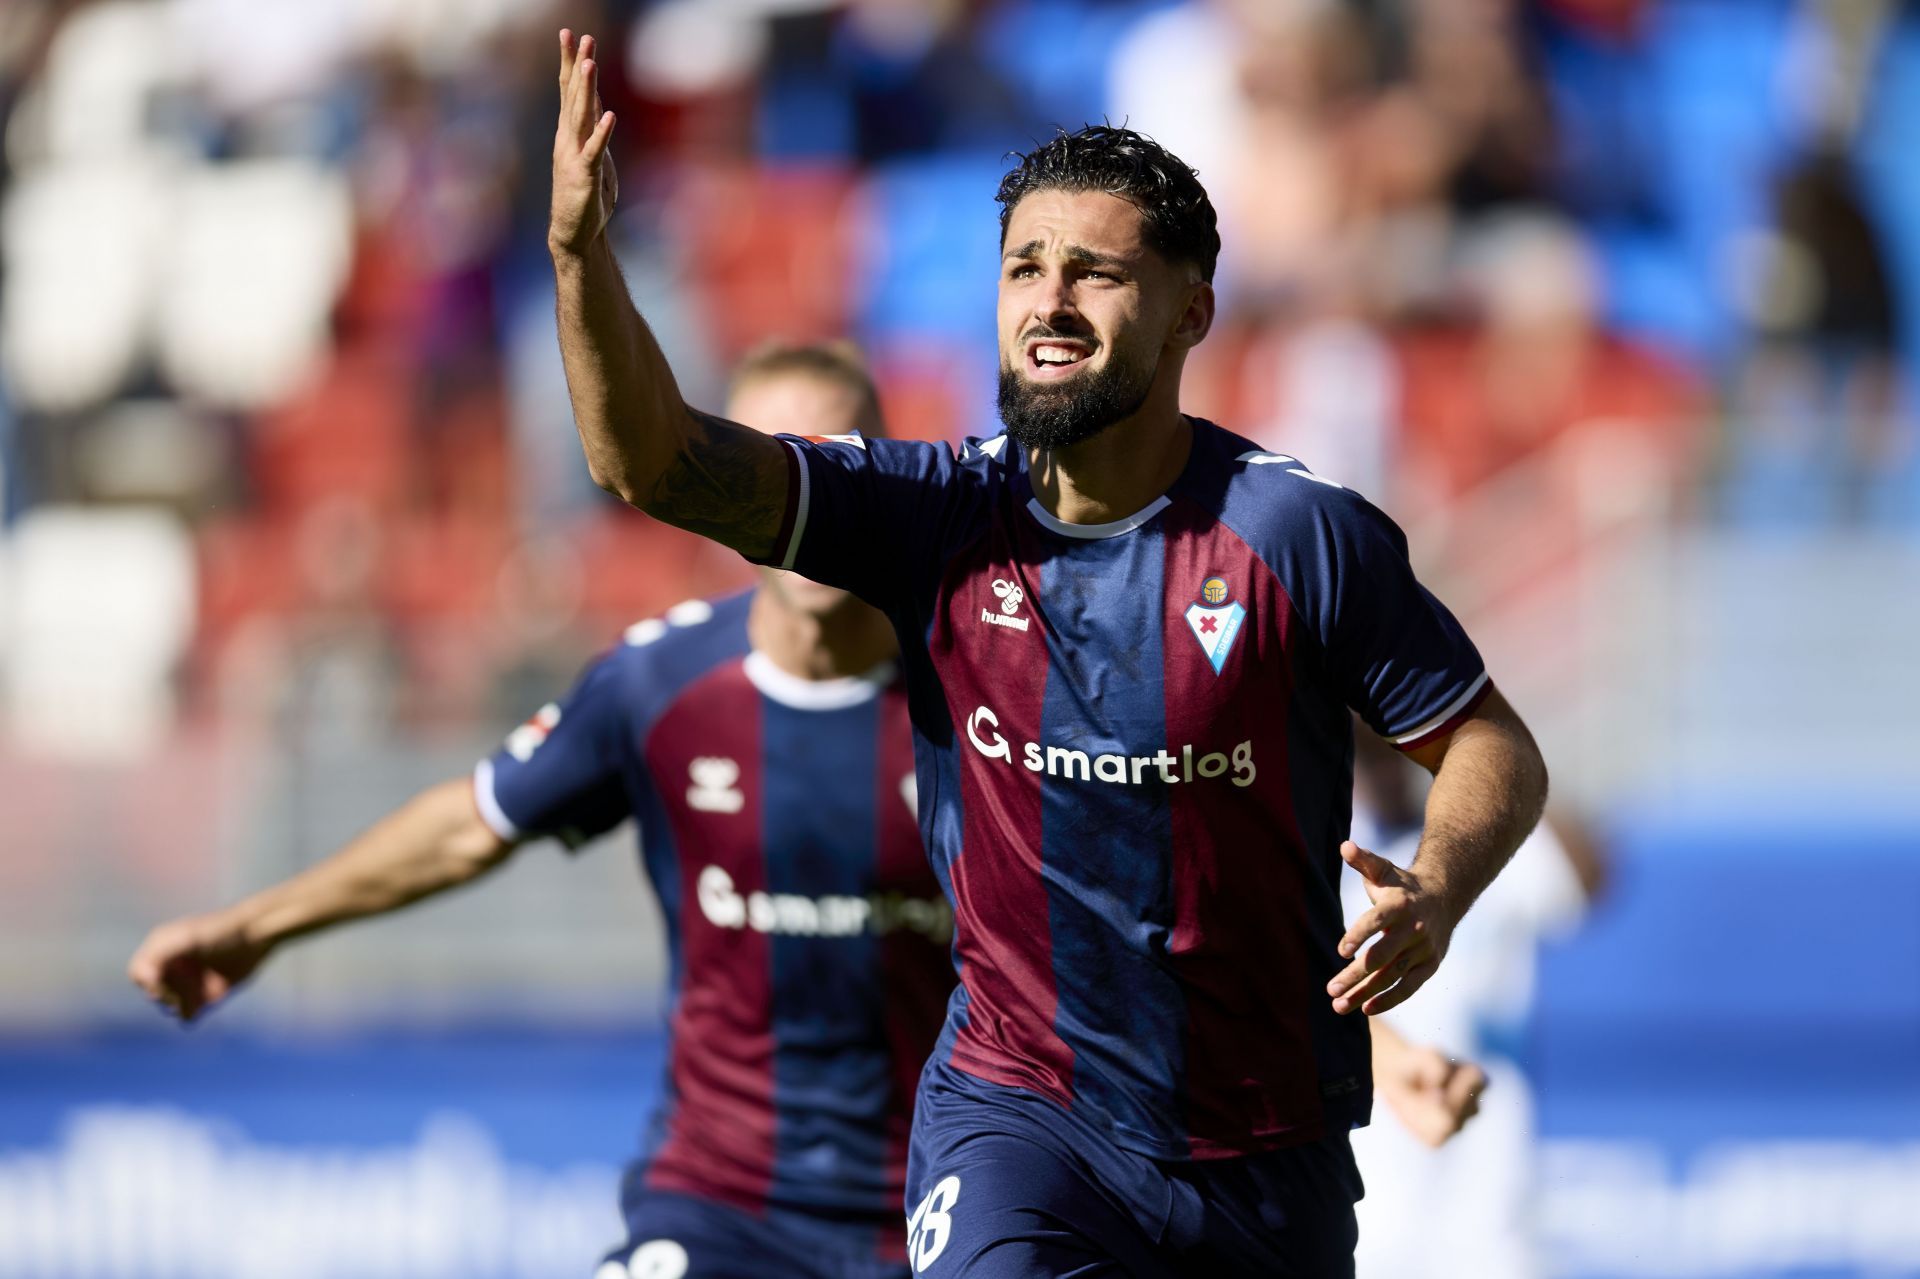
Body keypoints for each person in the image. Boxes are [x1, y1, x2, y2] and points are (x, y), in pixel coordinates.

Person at [548, 29, 1549, 1275]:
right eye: (1025, 267)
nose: (1051, 303)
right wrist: (580, 255)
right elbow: (655, 464)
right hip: (1020, 1120)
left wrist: (1438, 893)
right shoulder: (932, 522)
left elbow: (1490, 741)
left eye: (1093, 272)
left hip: (1262, 1151)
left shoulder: (1298, 536)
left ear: (1191, 311)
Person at [128, 345, 959, 1279]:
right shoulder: (660, 685)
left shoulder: (976, 691)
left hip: (931, 1214)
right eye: (779, 458)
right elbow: (471, 824)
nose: (815, 493)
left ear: (889, 472)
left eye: (841, 457)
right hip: (720, 1205)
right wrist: (256, 926)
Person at [1346, 728, 1600, 1279]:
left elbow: (1589, 871)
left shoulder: (1485, 843)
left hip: (1483, 1159)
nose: (1386, 768)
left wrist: (1485, 744)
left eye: (1396, 748)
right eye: (1367, 752)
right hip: (1371, 1168)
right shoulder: (1328, 854)